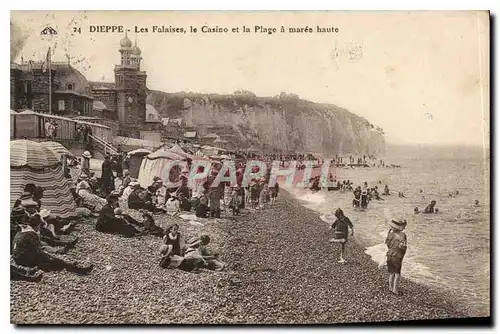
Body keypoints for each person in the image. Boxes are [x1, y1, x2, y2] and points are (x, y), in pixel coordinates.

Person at [11, 215, 93, 275]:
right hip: (25, 260)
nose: (40, 227)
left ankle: (70, 266)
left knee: (54, 259)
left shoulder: (22, 230)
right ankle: (78, 270)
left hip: (18, 258)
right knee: (56, 261)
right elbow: (39, 251)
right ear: (37, 225)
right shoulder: (31, 234)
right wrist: (50, 258)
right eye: (39, 225)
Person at [383, 218, 408, 295]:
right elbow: (402, 246)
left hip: (389, 255)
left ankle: (390, 288)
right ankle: (395, 290)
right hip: (397, 256)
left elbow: (388, 245)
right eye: (404, 226)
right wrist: (403, 248)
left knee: (391, 273)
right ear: (400, 227)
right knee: (397, 274)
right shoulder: (402, 235)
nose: (404, 228)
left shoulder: (389, 234)